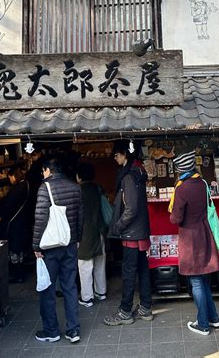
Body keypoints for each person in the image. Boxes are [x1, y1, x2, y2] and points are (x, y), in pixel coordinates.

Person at [169, 150, 219, 336]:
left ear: (180, 169)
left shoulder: (181, 188)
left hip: (190, 238)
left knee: (196, 282)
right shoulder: (202, 183)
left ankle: (203, 324)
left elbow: (176, 218)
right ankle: (214, 318)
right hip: (204, 233)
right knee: (204, 279)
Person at [33, 157, 83, 344]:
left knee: (48, 288)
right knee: (70, 286)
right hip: (69, 243)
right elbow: (80, 215)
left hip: (50, 247)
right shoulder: (75, 187)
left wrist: (36, 246)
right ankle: (73, 330)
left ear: (48, 170)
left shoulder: (44, 188)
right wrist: (78, 238)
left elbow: (40, 218)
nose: (42, 174)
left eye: (43, 170)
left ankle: (51, 330)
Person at [104, 141, 153, 326]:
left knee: (129, 272)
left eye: (116, 155)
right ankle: (146, 307)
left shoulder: (129, 177)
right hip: (140, 230)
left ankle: (125, 311)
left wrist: (117, 226)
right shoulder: (139, 172)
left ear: (124, 154)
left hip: (132, 232)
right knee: (142, 269)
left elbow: (130, 209)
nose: (115, 159)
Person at [0, 166, 30, 282]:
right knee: (20, 248)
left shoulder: (16, 190)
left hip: (15, 223)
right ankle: (21, 272)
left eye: (10, 178)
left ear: (13, 176)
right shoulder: (26, 185)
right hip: (23, 221)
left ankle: (17, 274)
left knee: (14, 248)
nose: (10, 181)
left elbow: (7, 206)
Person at [76, 162, 107, 307]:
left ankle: (87, 297)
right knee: (100, 263)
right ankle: (101, 292)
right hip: (99, 229)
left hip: (85, 233)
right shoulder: (97, 188)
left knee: (85, 266)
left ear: (79, 176)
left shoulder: (78, 191)